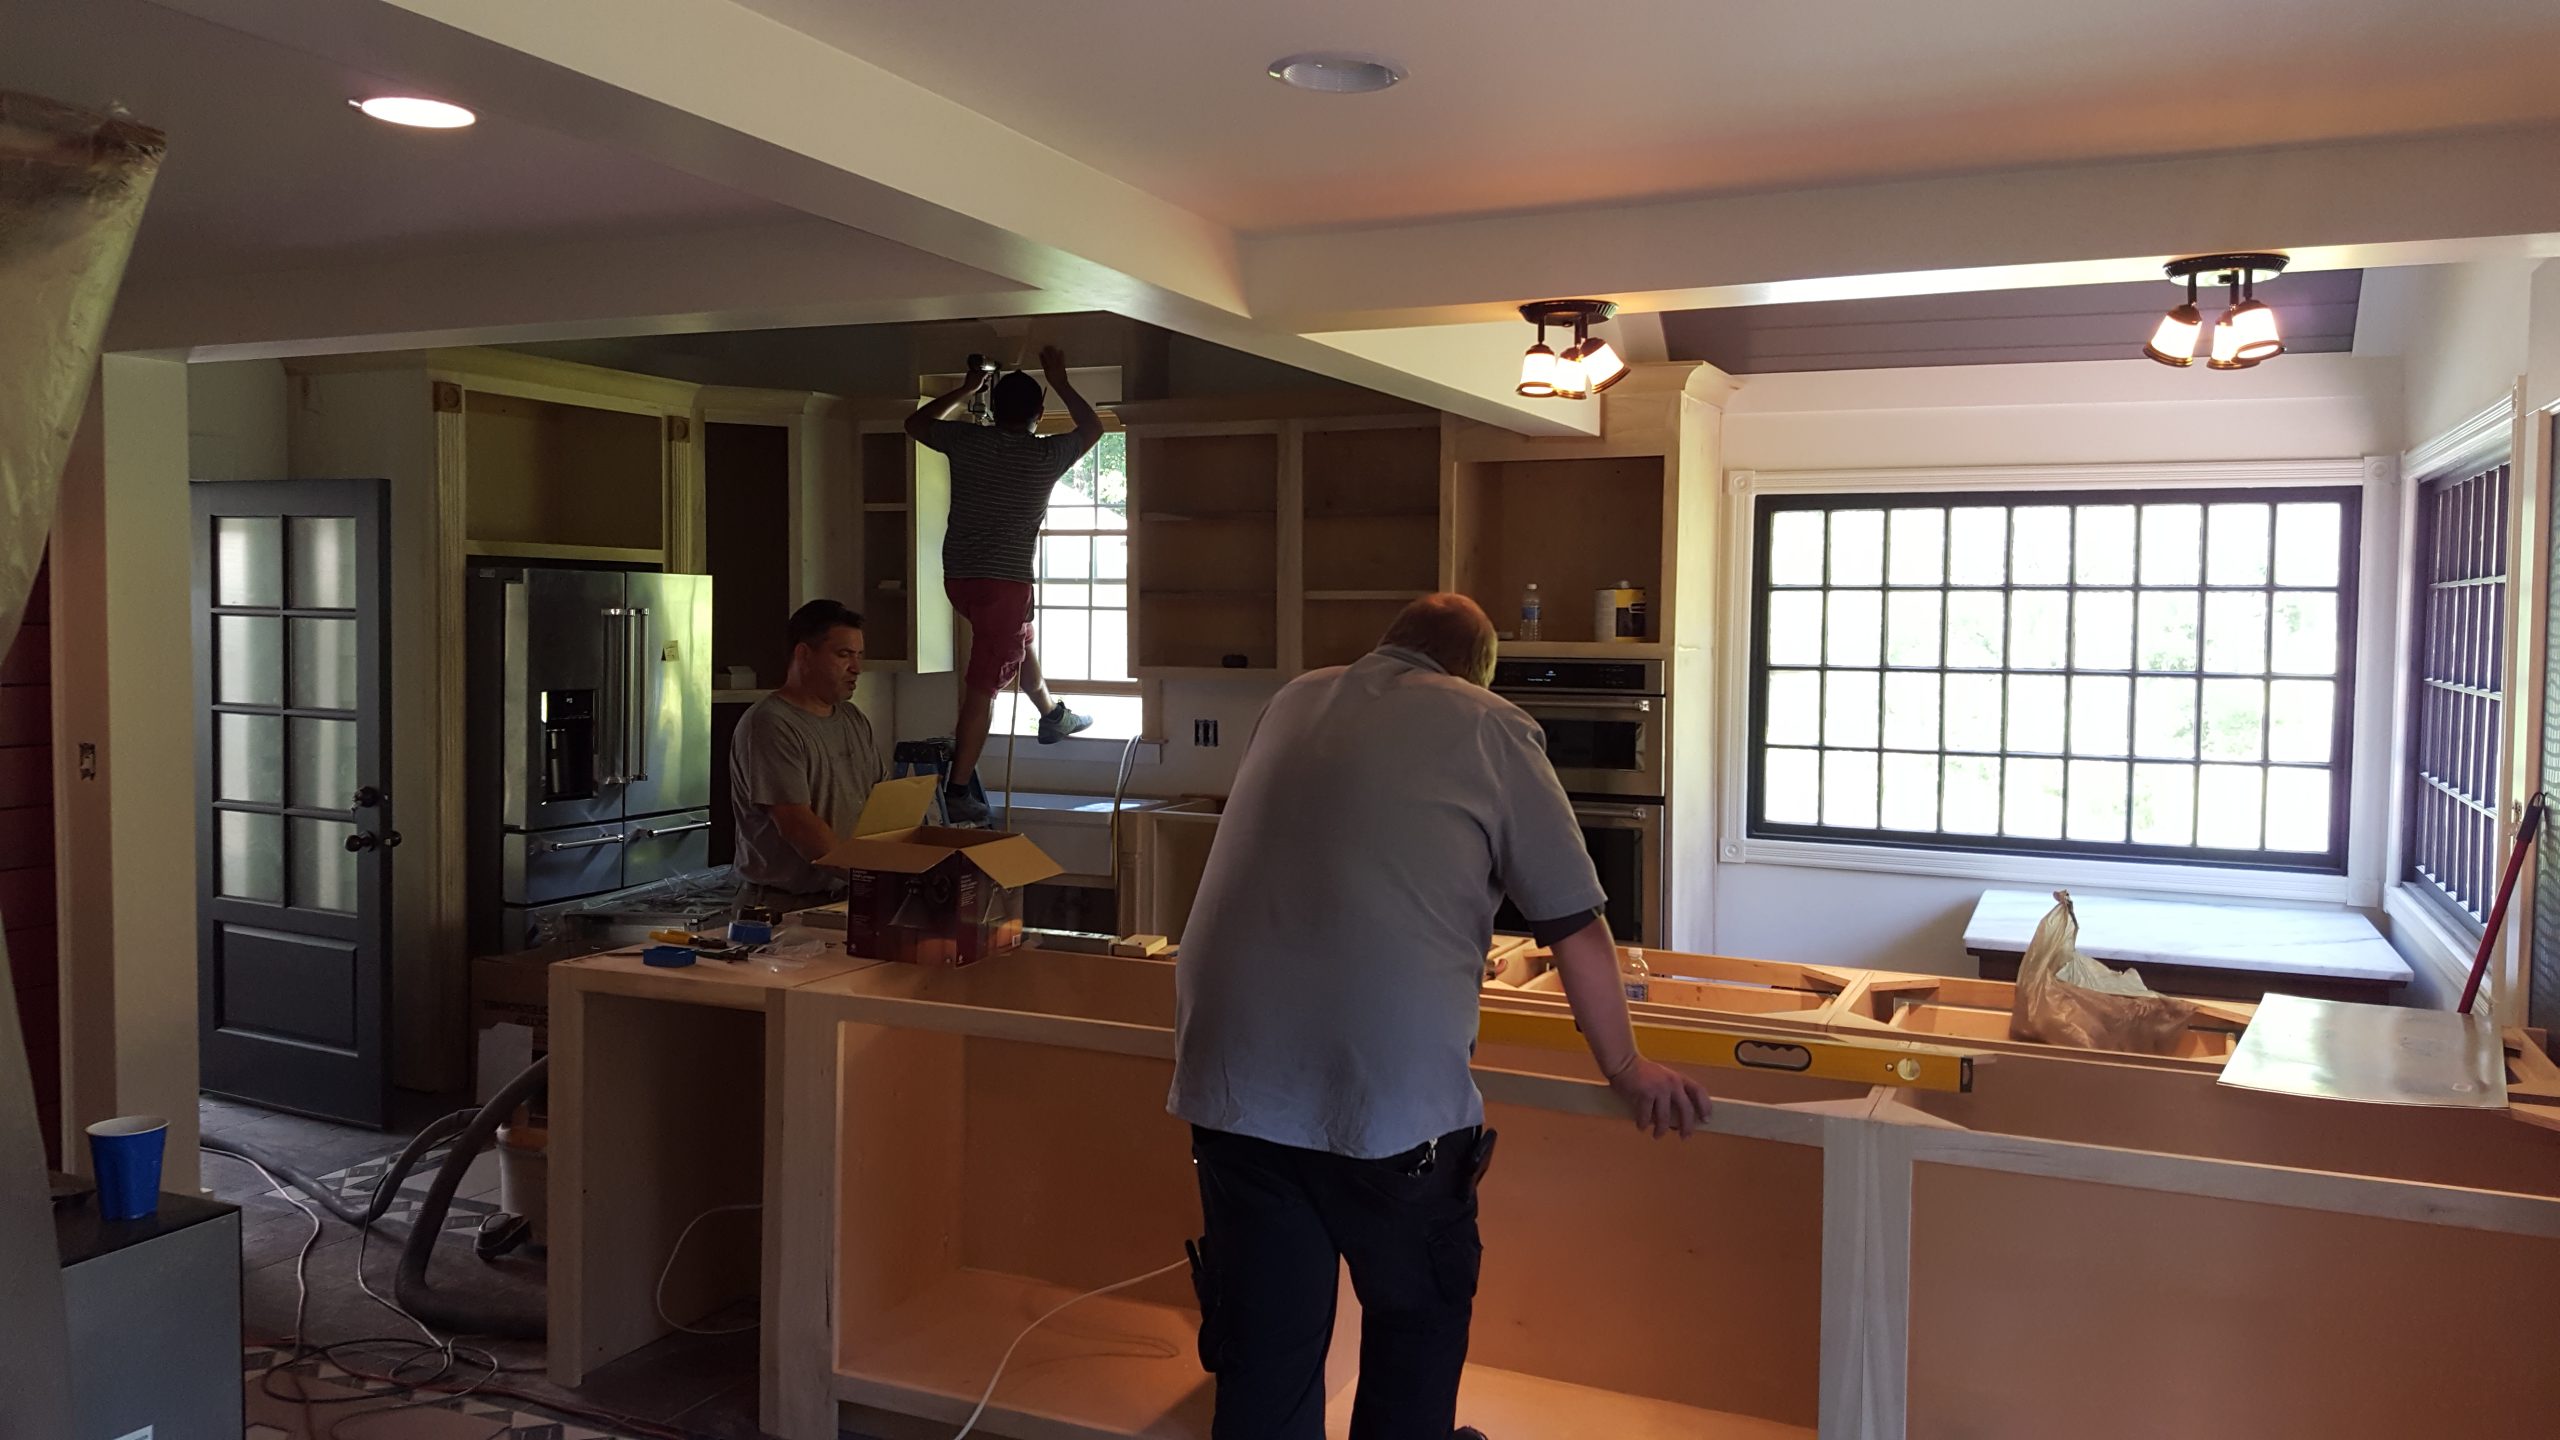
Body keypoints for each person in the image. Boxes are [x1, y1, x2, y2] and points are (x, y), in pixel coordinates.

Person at [1168, 593, 1712, 1440]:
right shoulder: (1492, 726)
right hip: (1385, 1104)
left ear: (1389, 646)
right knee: (1415, 1332)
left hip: (1230, 1087)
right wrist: (1625, 1067)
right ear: (1476, 673)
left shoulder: (1296, 698)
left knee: (1265, 1358)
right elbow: (1573, 924)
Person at [906, 344, 1104, 824]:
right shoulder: (1046, 454)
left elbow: (916, 423)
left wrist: (965, 388)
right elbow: (1093, 427)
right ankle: (958, 790)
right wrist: (1060, 378)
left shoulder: (967, 441)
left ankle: (1052, 716)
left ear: (993, 409)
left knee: (1018, 639)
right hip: (1005, 583)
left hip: (959, 577)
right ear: (1040, 411)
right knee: (983, 688)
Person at [727, 599, 891, 906]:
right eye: (843, 655)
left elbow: (880, 802)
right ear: (804, 655)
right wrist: (873, 878)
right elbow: (797, 824)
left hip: (844, 896)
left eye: (859, 656)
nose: (856, 668)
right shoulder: (771, 723)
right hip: (782, 907)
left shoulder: (853, 718)